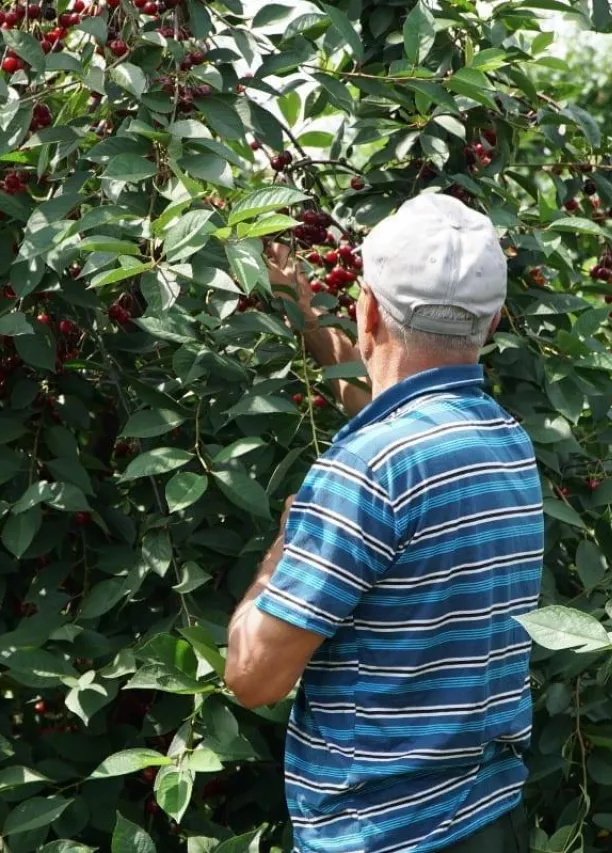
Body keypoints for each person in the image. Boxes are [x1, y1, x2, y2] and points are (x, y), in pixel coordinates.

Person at [224, 193, 544, 853]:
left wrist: (285, 546)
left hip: (386, 837)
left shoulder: (363, 476)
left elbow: (253, 675)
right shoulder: (507, 445)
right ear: (492, 324)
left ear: (367, 307)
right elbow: (400, 422)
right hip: (488, 820)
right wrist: (306, 314)